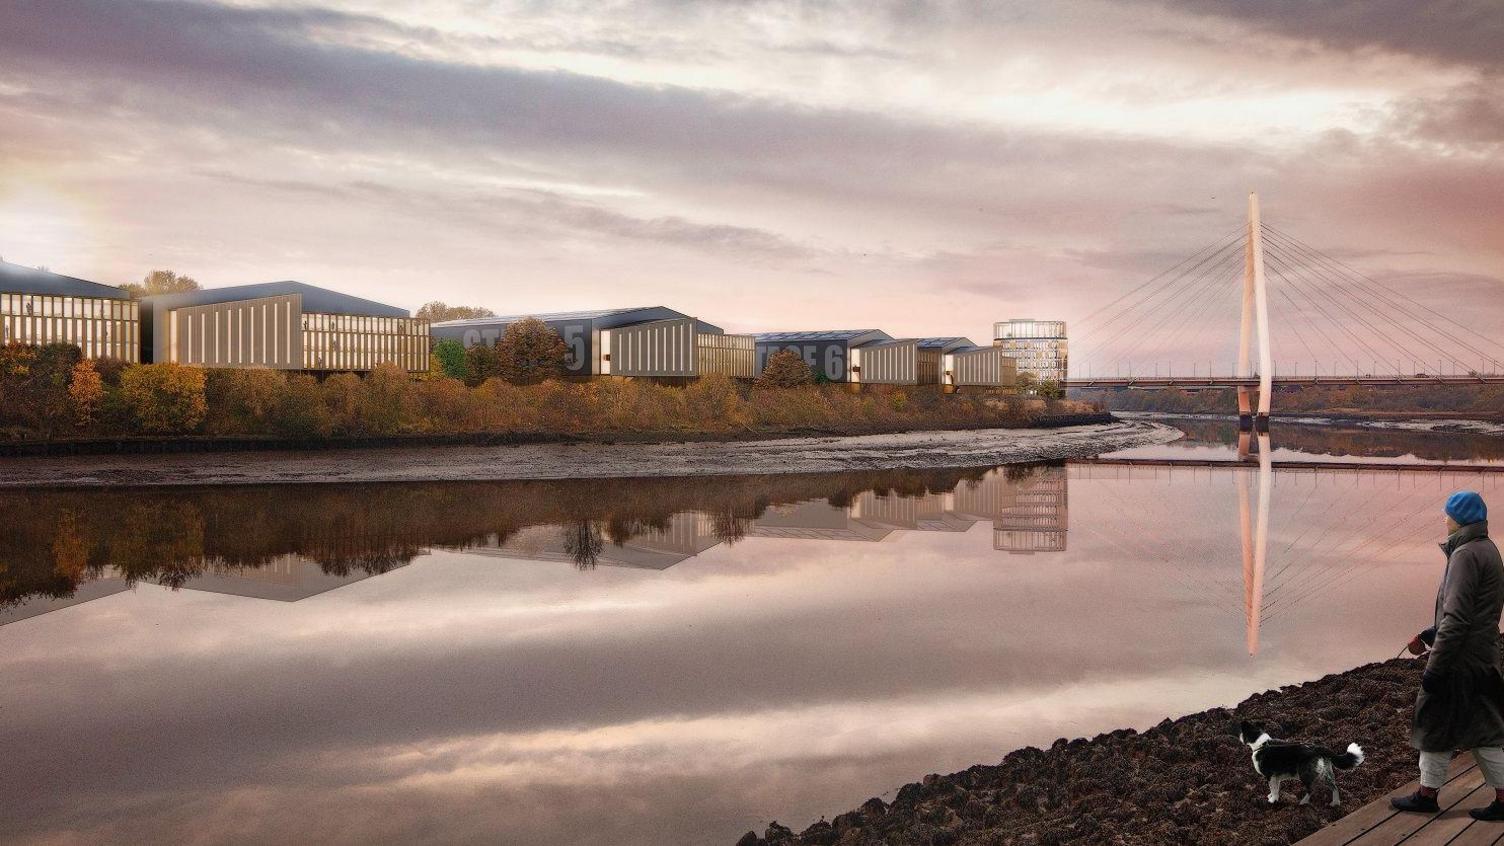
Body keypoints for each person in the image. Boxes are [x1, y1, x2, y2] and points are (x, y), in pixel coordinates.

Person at [1392, 491, 1504, 819]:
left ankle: (1429, 796)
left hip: (1460, 663)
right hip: (1480, 657)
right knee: (1474, 728)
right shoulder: (1488, 549)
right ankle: (1429, 794)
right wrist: (1429, 634)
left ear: (1460, 518)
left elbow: (1457, 618)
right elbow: (1475, 612)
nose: (1444, 519)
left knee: (1436, 721)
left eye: (1447, 514)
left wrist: (1434, 668)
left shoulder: (1466, 555)